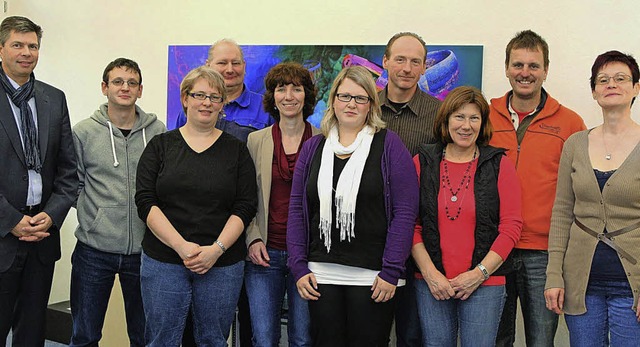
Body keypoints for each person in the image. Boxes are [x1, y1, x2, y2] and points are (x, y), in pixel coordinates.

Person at [287, 66, 419, 346]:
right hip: (320, 273)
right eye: (345, 96)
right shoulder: (313, 148)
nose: (351, 104)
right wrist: (298, 267)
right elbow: (298, 212)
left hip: (374, 277)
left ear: (371, 104)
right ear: (333, 99)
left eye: (360, 98)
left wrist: (391, 270)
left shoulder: (390, 146)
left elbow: (405, 214)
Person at [135, 66, 257, 346]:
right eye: (199, 94)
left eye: (215, 97)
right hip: (164, 261)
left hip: (222, 264)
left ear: (223, 104)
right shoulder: (160, 146)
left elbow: (245, 205)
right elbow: (145, 201)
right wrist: (181, 246)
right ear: (185, 98)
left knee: (213, 340)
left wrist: (216, 250)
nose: (206, 102)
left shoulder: (237, 150)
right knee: (161, 340)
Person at [489, 30, 586, 347]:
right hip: (492, 249)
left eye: (533, 65)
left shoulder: (570, 123)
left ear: (546, 69)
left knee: (541, 340)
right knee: (495, 339)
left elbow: (580, 189)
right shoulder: (484, 117)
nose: (525, 73)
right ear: (506, 68)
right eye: (518, 64)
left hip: (544, 254)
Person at [412, 86, 523, 347]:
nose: (466, 126)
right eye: (459, 117)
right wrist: (430, 274)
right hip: (432, 283)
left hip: (485, 283)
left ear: (483, 123)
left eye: (474, 118)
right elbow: (412, 225)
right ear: (446, 120)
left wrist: (479, 273)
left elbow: (511, 227)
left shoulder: (498, 164)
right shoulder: (423, 162)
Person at [545, 50, 640, 347]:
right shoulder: (575, 144)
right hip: (581, 283)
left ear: (636, 87)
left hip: (632, 285)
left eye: (621, 78)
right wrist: (553, 276)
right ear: (594, 91)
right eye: (603, 79)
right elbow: (562, 212)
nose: (612, 84)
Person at [70, 58, 166, 346]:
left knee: (143, 334)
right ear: (104, 87)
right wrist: (94, 213)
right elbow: (73, 183)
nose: (125, 87)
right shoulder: (84, 132)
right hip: (93, 249)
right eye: (118, 82)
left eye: (132, 83)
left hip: (145, 249)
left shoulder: (157, 131)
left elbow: (164, 183)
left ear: (140, 90)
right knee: (85, 334)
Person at [0, 16, 78, 346]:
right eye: (17, 44)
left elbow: (68, 171)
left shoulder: (53, 98)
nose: (27, 52)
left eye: (33, 46)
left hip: (42, 235)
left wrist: (53, 213)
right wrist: (13, 220)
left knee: (32, 331)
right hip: (3, 234)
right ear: (1, 48)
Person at [245, 62, 319, 347]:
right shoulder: (255, 141)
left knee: (302, 338)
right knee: (264, 338)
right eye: (281, 88)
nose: (289, 96)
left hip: (308, 256)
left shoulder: (323, 139)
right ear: (272, 96)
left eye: (296, 89)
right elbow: (245, 198)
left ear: (307, 95)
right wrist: (252, 239)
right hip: (264, 254)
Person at [379, 32, 442, 346]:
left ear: (424, 67)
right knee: (368, 332)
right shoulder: (364, 108)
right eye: (400, 59)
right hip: (370, 237)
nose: (406, 67)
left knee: (412, 334)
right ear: (386, 61)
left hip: (419, 239)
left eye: (415, 61)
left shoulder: (439, 115)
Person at [174, 38, 273, 141]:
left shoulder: (265, 107)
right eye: (222, 63)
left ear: (244, 66)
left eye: (235, 63)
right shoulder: (193, 108)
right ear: (208, 65)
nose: (230, 70)